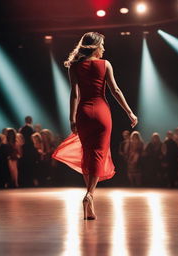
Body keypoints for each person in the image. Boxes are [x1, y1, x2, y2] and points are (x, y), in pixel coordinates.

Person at [52, 32, 138, 220]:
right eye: (102, 45)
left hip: (83, 113)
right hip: (101, 113)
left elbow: (74, 94)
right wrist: (130, 112)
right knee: (99, 154)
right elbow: (115, 90)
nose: (104, 49)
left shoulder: (74, 66)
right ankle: (89, 195)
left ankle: (90, 204)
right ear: (97, 46)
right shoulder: (105, 64)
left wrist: (72, 118)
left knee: (88, 154)